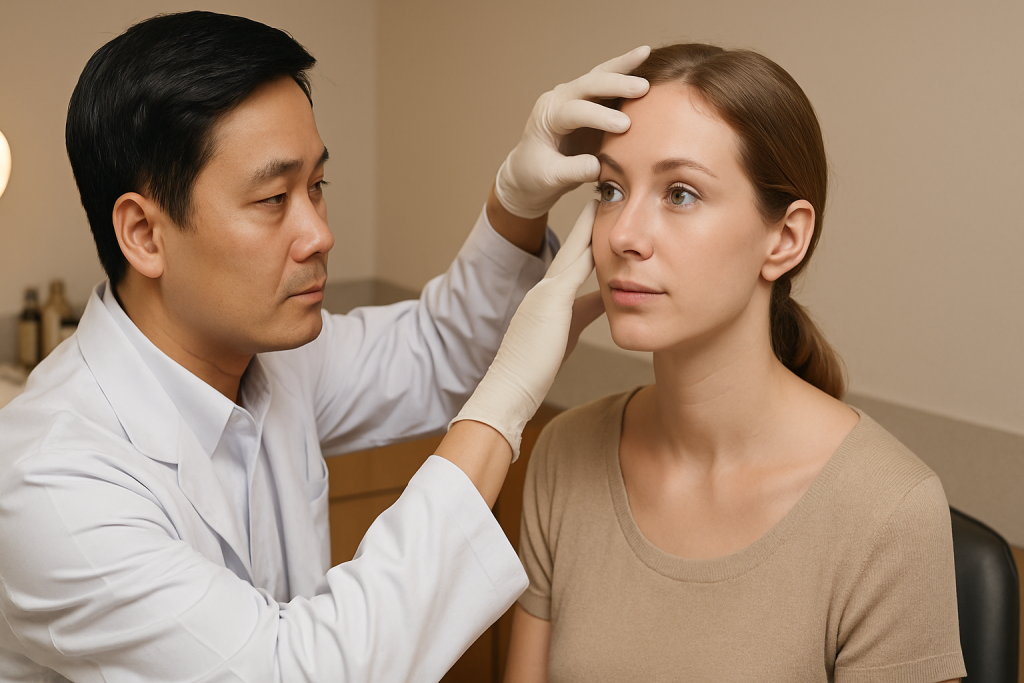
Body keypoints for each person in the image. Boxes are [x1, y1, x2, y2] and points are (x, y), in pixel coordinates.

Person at [0, 11, 651, 682]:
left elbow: (437, 353)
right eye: (274, 197)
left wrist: (515, 199)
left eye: (317, 186)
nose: (318, 235)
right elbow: (295, 671)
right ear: (142, 232)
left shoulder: (271, 356)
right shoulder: (52, 484)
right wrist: (506, 402)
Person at [504, 44, 966, 683]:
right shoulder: (563, 453)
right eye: (611, 189)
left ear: (786, 238)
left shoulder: (889, 511)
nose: (623, 235)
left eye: (682, 193)